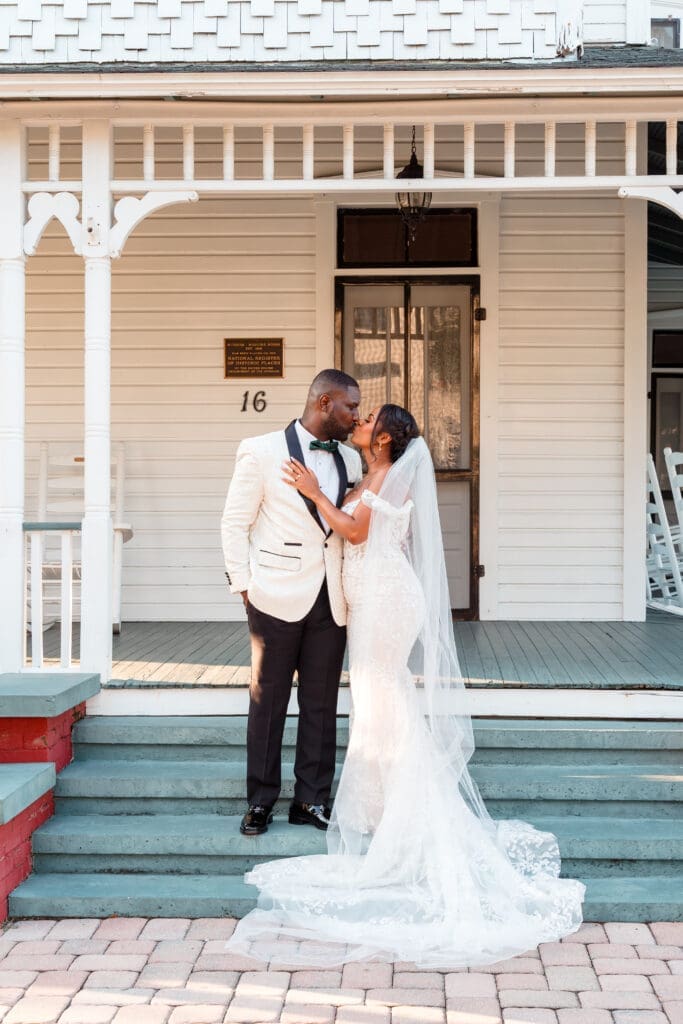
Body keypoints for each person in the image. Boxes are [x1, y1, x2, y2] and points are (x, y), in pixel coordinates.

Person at [226, 403, 585, 968]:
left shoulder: (389, 475)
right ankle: (377, 800)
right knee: (375, 698)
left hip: (386, 598)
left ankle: (404, 808)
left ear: (386, 437)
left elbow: (354, 528)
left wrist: (314, 494)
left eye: (368, 418)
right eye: (355, 411)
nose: (358, 421)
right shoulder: (358, 467)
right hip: (356, 596)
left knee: (383, 690)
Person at [221, 369, 362, 836]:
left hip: (331, 598)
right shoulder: (260, 451)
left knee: (321, 705)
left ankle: (311, 800)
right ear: (324, 403)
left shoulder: (350, 459)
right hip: (273, 596)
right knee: (268, 702)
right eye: (350, 407)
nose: (355, 416)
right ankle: (260, 801)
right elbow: (233, 523)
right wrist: (244, 586)